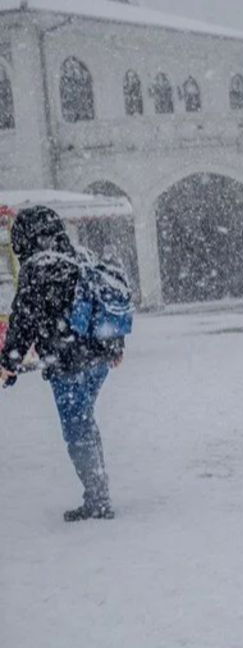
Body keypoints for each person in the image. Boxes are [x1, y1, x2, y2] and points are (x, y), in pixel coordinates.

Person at [0, 206, 125, 521]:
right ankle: (97, 488)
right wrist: (114, 344)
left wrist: (9, 362)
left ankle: (97, 496)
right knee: (84, 420)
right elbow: (104, 296)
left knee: (76, 428)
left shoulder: (37, 268)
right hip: (97, 359)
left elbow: (23, 321)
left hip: (65, 363)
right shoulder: (80, 256)